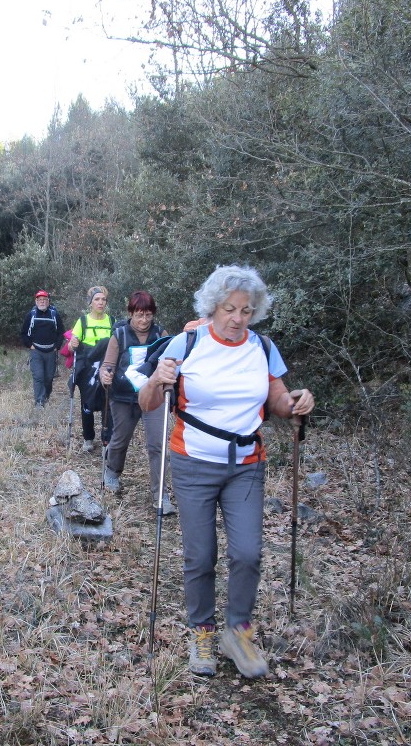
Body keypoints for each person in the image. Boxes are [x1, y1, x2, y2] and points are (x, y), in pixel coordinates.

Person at [137, 264, 315, 679]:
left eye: (247, 311)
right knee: (201, 556)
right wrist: (157, 378)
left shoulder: (263, 347)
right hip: (192, 463)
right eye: (230, 309)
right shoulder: (187, 342)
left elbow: (277, 402)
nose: (238, 319)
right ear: (213, 307)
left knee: (248, 553)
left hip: (246, 465)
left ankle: (238, 631)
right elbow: (148, 403)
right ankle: (201, 630)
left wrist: (297, 403)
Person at [98, 290, 176, 515]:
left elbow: (169, 362)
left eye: (148, 315)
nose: (144, 320)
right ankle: (112, 471)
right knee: (120, 440)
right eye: (139, 315)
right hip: (123, 396)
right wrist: (105, 375)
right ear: (130, 313)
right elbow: (108, 364)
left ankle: (160, 494)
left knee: (157, 444)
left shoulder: (161, 334)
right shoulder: (119, 334)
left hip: (154, 397)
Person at [68, 285, 114, 452]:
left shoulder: (112, 321)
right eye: (97, 299)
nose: (100, 302)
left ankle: (106, 439)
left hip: (107, 365)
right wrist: (72, 344)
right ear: (90, 302)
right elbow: (71, 347)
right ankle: (88, 438)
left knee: (107, 401)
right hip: (87, 366)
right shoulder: (83, 321)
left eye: (103, 299)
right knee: (87, 403)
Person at [20, 289, 65, 407]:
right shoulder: (31, 315)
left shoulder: (54, 315)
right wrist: (30, 345)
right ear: (36, 301)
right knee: (38, 376)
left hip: (51, 351)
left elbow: (61, 332)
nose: (42, 302)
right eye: (40, 300)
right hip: (37, 351)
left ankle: (46, 396)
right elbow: (23, 333)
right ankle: (39, 401)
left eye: (44, 300)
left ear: (48, 301)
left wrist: (57, 346)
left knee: (49, 377)